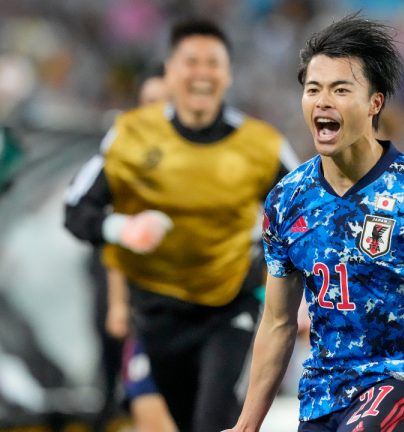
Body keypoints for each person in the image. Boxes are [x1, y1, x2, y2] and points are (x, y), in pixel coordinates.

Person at [227, 15, 404, 432]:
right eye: (313, 89)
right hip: (321, 399)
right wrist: (245, 426)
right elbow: (277, 322)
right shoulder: (287, 201)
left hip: (401, 387)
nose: (323, 101)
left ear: (374, 103)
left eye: (341, 90)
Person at [64, 18, 298, 432]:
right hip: (157, 311)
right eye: (191, 61)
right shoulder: (131, 136)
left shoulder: (262, 145)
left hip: (230, 307)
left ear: (228, 74)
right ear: (170, 70)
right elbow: (76, 209)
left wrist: (303, 296)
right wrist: (122, 229)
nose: (202, 73)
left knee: (215, 419)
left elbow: (310, 217)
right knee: (182, 420)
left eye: (213, 62)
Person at [102, 68, 176, 432]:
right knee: (149, 415)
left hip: (210, 319)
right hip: (150, 317)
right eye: (148, 103)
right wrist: (117, 304)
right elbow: (119, 245)